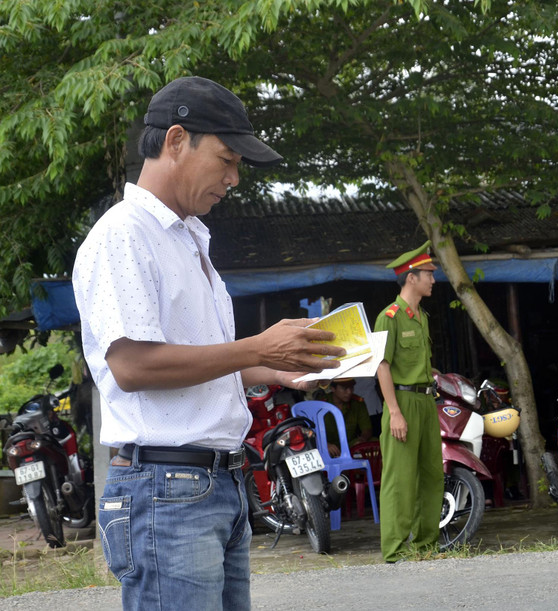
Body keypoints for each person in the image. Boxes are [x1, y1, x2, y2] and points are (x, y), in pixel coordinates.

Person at [72, 76, 345, 610]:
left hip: (214, 483)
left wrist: (278, 368)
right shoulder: (124, 234)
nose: (234, 178)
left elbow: (195, 363)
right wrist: (258, 349)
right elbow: (132, 366)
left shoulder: (188, 236)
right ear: (176, 141)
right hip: (166, 489)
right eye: (227, 160)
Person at [373, 240, 444, 563]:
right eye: (428, 273)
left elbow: (413, 360)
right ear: (411, 278)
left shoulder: (422, 316)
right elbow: (382, 366)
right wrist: (394, 412)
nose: (433, 279)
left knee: (431, 474)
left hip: (426, 402)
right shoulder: (388, 317)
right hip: (400, 402)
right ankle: (396, 549)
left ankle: (426, 545)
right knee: (399, 479)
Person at [323, 378, 374, 456]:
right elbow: (311, 433)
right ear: (333, 389)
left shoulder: (357, 403)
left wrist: (361, 440)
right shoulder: (321, 404)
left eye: (351, 388)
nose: (349, 392)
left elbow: (367, 429)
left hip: (350, 444)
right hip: (328, 447)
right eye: (344, 388)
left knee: (374, 442)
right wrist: (325, 444)